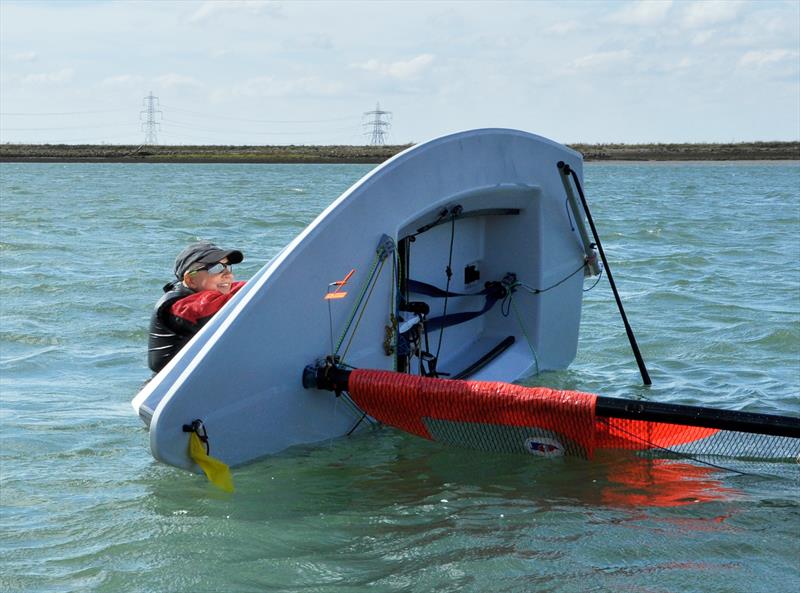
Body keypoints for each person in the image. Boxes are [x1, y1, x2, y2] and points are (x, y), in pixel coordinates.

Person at [148, 241, 245, 373]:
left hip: (199, 376)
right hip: (170, 386)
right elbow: (216, 307)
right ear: (191, 280)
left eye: (228, 267)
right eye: (216, 269)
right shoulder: (178, 306)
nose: (229, 275)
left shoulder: (213, 292)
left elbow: (243, 287)